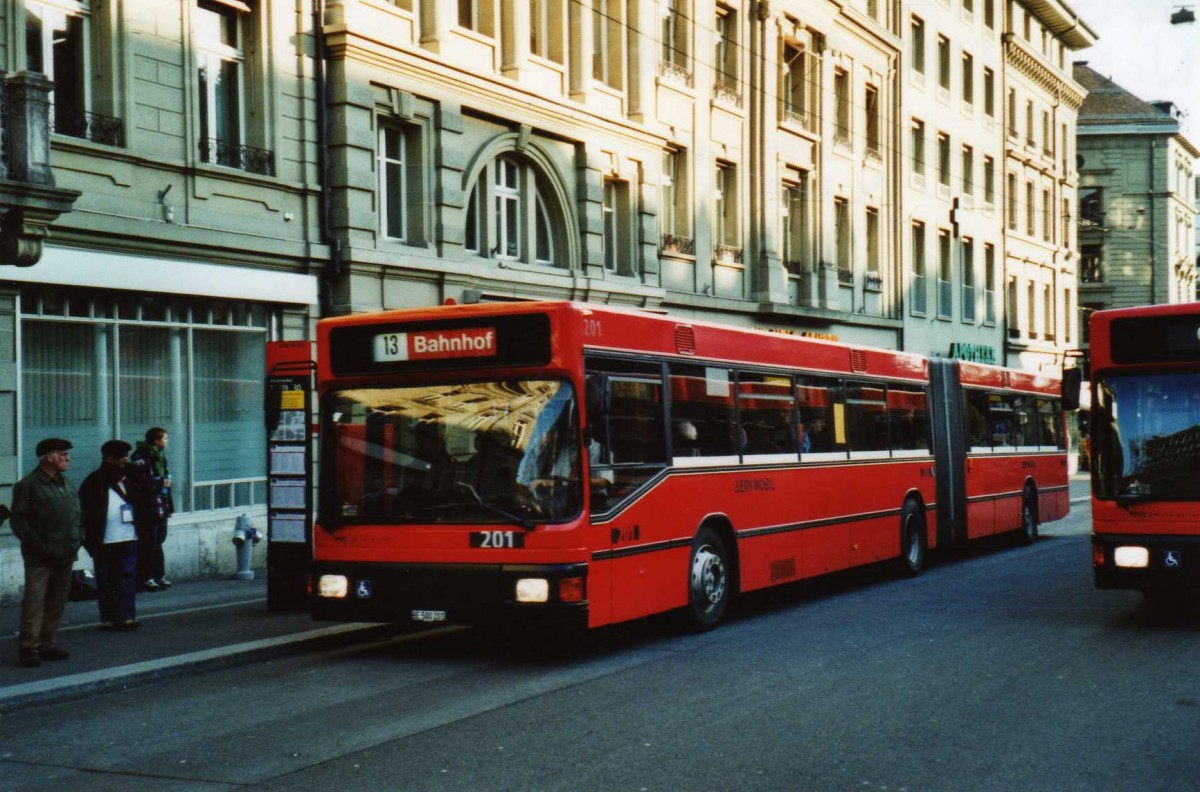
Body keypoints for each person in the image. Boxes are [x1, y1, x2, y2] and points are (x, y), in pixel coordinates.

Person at [10, 438, 82, 667]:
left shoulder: (66, 482)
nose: (68, 458)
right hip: (39, 557)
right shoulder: (28, 485)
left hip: (66, 553)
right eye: (63, 454)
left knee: (56, 602)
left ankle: (47, 643)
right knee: (34, 604)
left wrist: (79, 538)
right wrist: (40, 545)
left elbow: (76, 514)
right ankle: (28, 647)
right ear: (48, 457)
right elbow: (18, 521)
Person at [81, 440, 140, 631]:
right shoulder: (95, 480)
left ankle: (127, 616)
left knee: (127, 577)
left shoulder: (132, 476)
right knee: (106, 579)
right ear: (108, 458)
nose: (124, 459)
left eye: (126, 456)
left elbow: (144, 500)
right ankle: (108, 617)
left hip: (129, 535)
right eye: (120, 456)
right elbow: (85, 510)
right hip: (104, 538)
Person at [129, 427, 174, 592]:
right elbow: (138, 483)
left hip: (161, 505)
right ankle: (146, 577)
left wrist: (169, 505)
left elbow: (165, 483)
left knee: (158, 542)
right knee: (147, 543)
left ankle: (158, 575)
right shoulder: (140, 457)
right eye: (165, 438)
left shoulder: (160, 456)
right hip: (147, 507)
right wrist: (158, 482)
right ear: (156, 440)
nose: (167, 441)